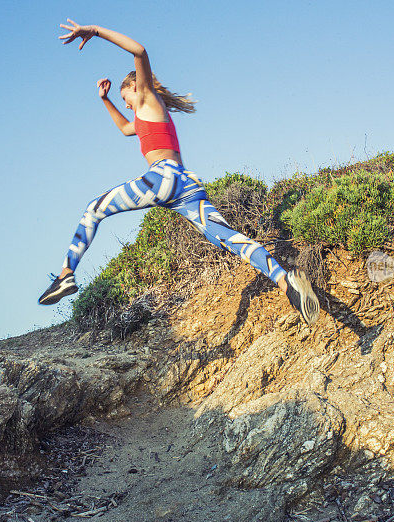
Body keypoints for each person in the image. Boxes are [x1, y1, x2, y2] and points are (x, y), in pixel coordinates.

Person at [39, 19, 320, 326]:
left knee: (93, 210)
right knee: (228, 238)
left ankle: (66, 274)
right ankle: (285, 282)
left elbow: (140, 51)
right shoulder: (145, 115)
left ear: (135, 87)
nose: (128, 104)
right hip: (186, 185)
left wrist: (94, 31)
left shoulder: (145, 97)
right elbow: (124, 129)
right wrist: (106, 101)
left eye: (125, 98)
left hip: (163, 178)